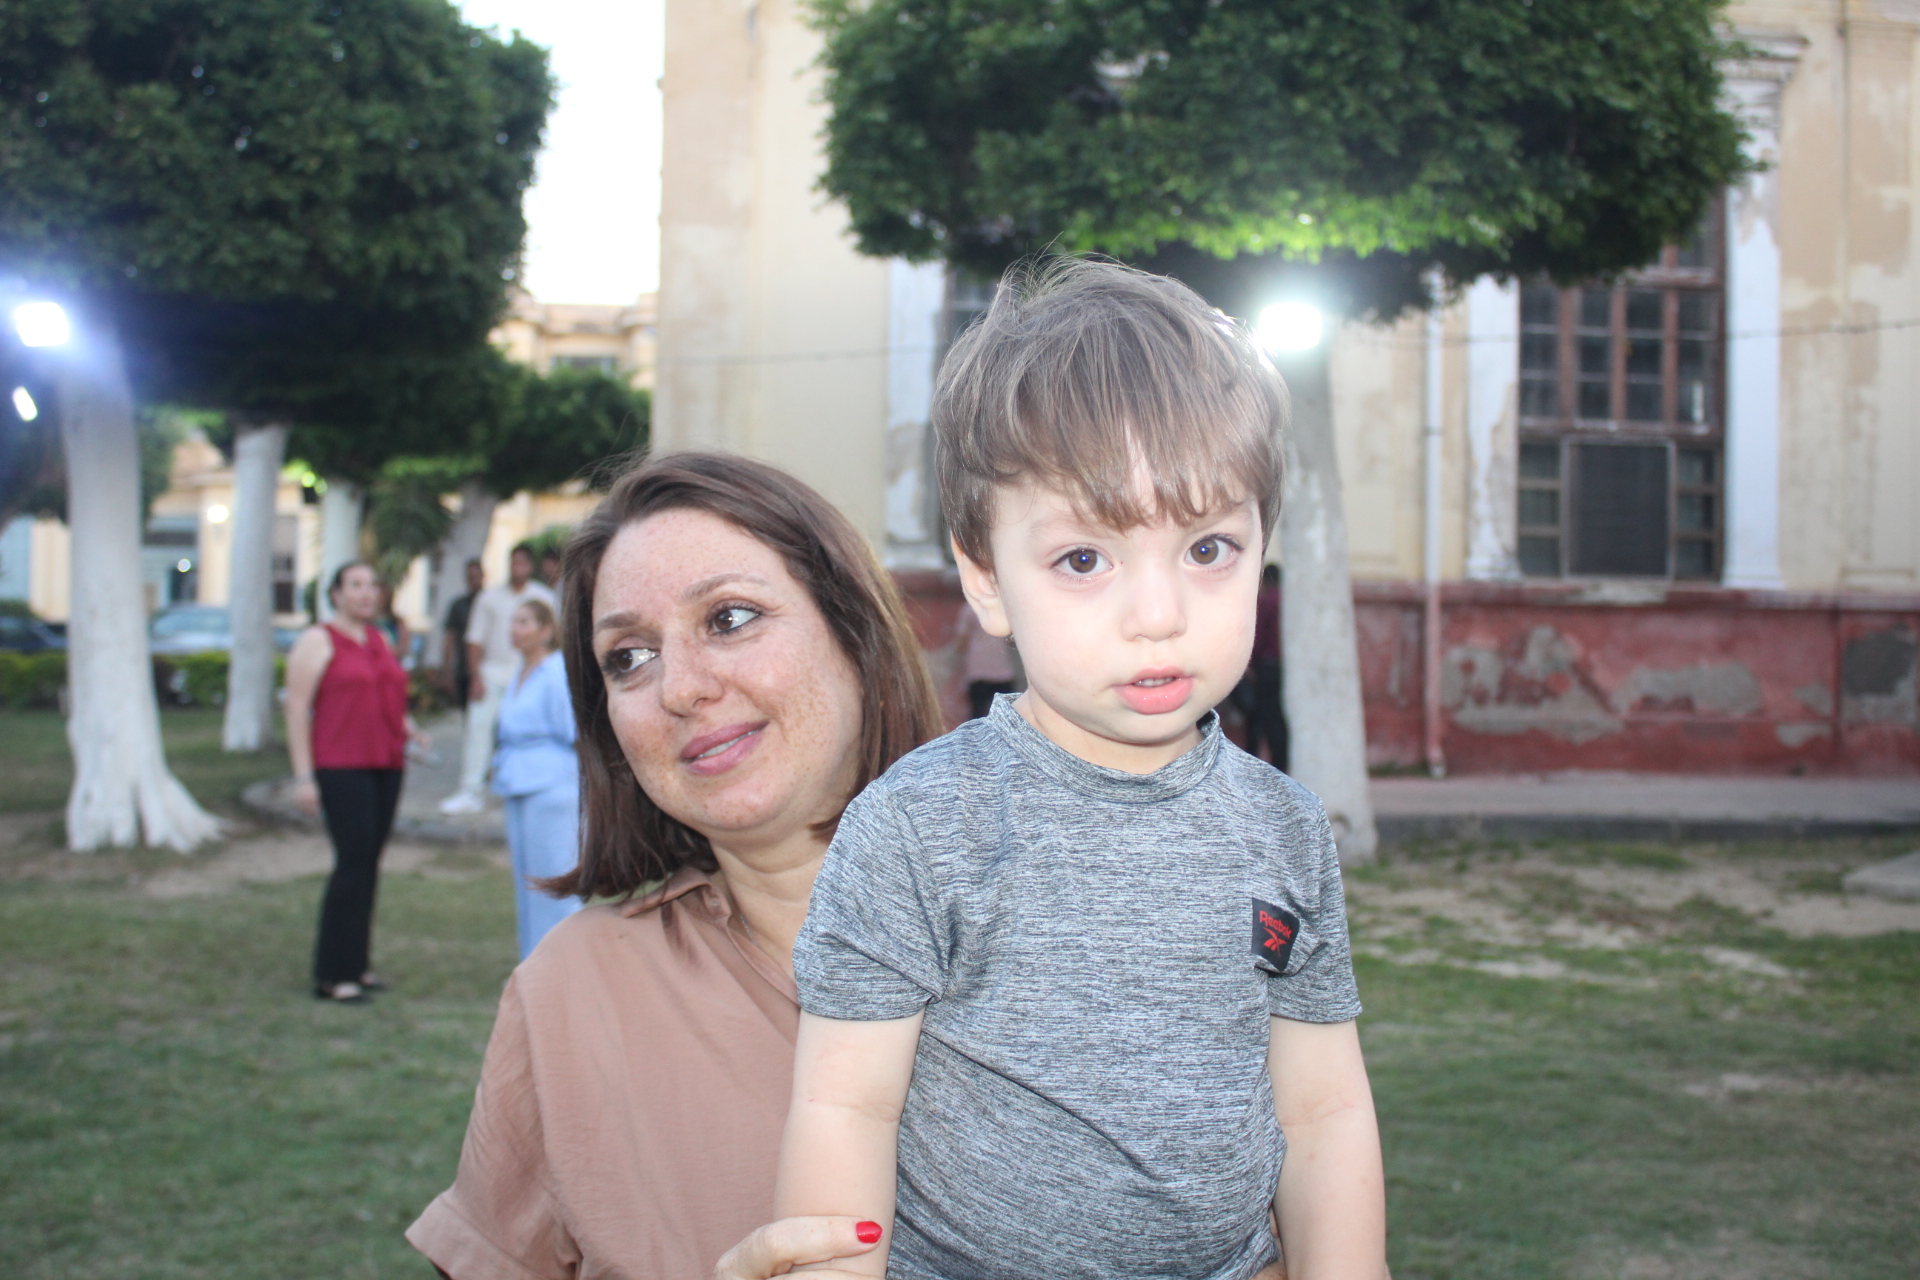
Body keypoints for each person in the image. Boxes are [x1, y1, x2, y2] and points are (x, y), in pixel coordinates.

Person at [774, 260, 1386, 1279]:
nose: (1159, 614)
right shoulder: (919, 826)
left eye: (1208, 548)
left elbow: (1322, 1109)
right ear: (985, 579)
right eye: (1085, 560)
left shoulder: (1286, 830)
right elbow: (846, 1106)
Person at [405, 453, 945, 1279]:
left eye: (729, 618)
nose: (680, 689)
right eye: (629, 657)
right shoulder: (575, 995)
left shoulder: (1085, 933)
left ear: (855, 635)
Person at [284, 561, 431, 1003]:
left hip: (385, 765)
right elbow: (296, 708)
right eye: (355, 585)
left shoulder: (379, 638)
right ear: (336, 594)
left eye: (371, 585)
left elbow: (387, 697)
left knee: (368, 865)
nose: (366, 593)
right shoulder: (318, 640)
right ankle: (333, 975)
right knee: (351, 864)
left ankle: (357, 965)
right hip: (341, 766)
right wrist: (304, 777)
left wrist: (408, 729)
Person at [491, 597, 584, 959]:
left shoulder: (555, 670)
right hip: (516, 780)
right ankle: (534, 963)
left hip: (552, 785)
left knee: (554, 877)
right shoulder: (520, 671)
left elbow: (572, 729)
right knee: (527, 880)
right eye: (514, 621)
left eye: (524, 622)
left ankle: (567, 962)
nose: (515, 629)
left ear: (546, 630)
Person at [440, 543, 556, 815]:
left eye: (523, 562)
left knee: (526, 733)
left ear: (531, 566)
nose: (518, 568)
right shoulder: (489, 598)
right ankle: (471, 790)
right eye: (514, 562)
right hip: (491, 673)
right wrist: (475, 676)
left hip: (530, 674)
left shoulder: (544, 597)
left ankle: (520, 787)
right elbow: (474, 640)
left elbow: (553, 639)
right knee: (479, 730)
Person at [1244, 563, 1288, 770]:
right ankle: (1282, 763)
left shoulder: (1268, 601)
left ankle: (1263, 763)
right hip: (1286, 666)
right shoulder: (1290, 601)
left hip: (1268, 665)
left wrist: (1250, 664)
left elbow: (1259, 635)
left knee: (1265, 718)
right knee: (1280, 718)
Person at [954, 599, 1016, 719]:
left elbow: (961, 643)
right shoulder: (1002, 609)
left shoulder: (970, 609)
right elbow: (1011, 639)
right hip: (1002, 671)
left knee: (978, 715)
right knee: (1006, 717)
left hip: (978, 671)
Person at [441, 558, 484, 710]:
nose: (474, 581)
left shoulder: (490, 601)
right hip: (463, 669)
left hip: (486, 669)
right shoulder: (458, 605)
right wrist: (447, 670)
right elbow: (449, 638)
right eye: (470, 577)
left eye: (476, 576)